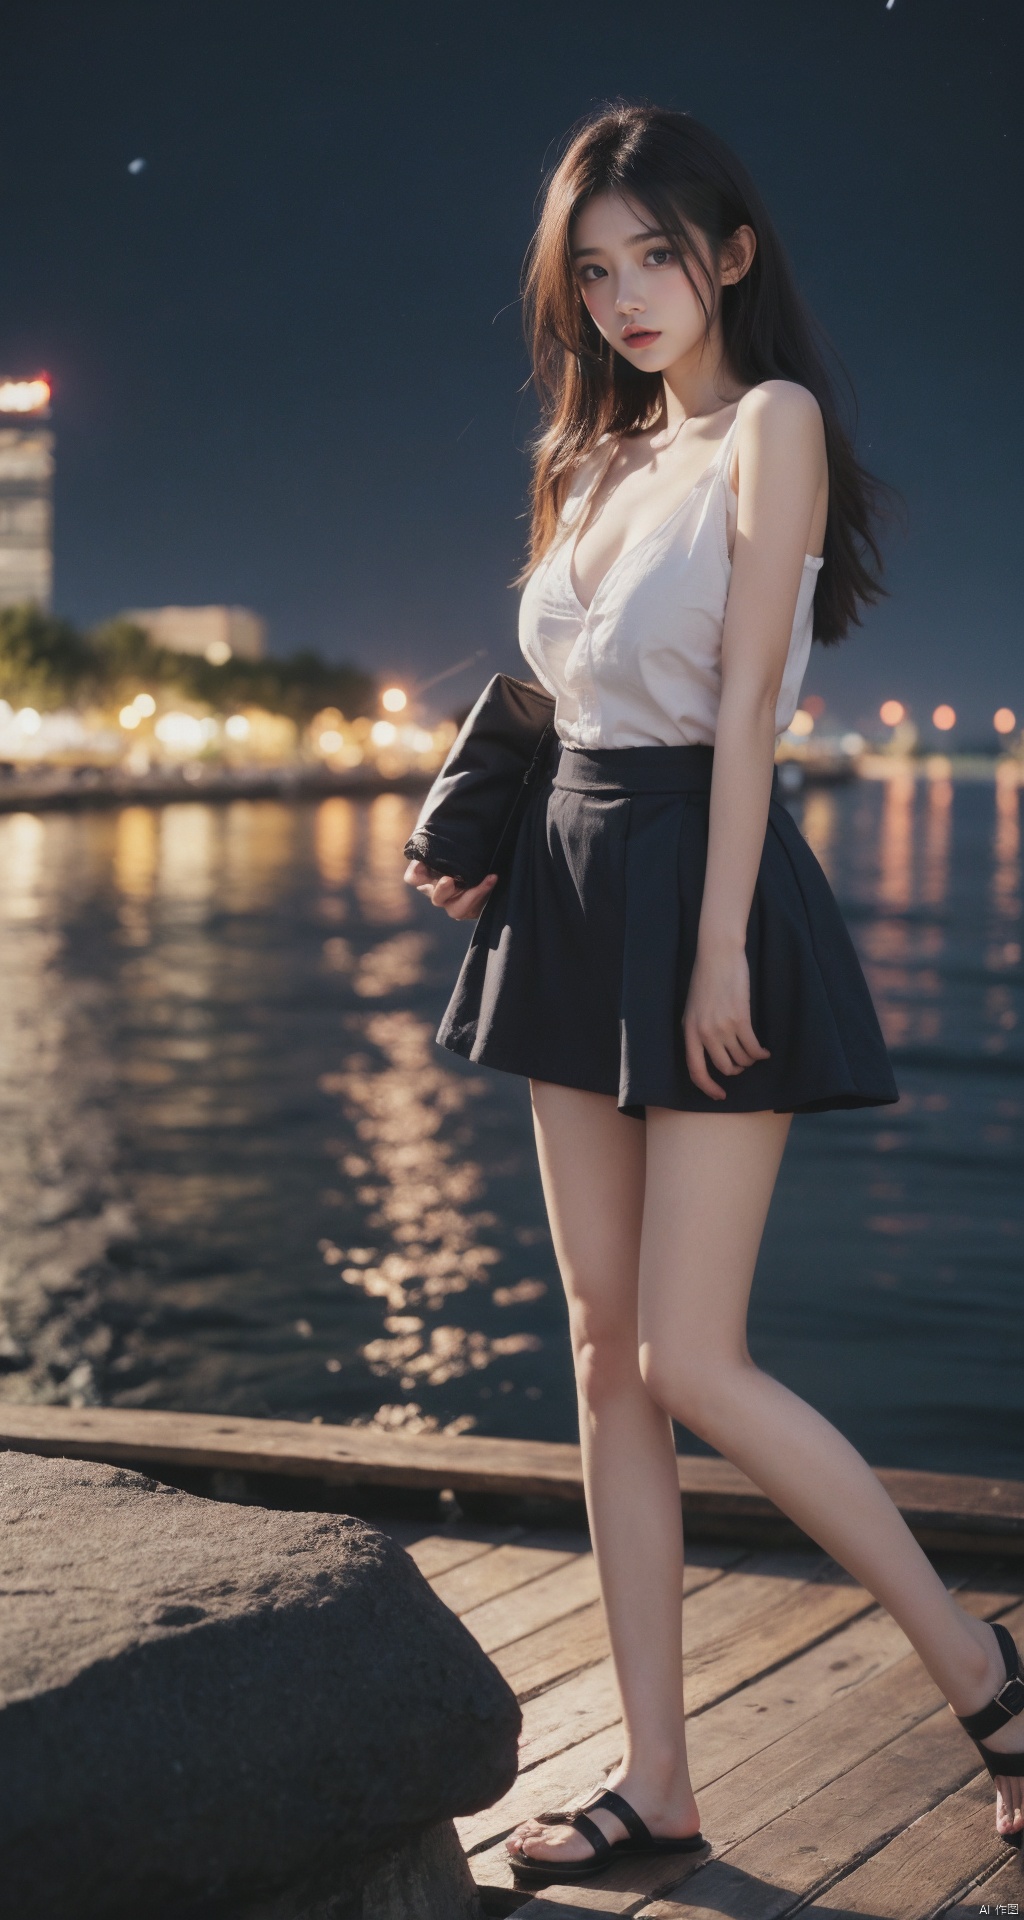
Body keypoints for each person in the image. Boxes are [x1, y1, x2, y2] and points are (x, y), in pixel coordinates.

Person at [404, 104, 1024, 1886]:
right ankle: (660, 1783)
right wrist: (479, 829)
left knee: (697, 1356)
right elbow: (549, 692)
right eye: (591, 273)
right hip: (570, 885)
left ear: (731, 253)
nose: (622, 297)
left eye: (653, 256)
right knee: (608, 1360)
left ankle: (991, 1677)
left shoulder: (774, 426)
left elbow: (745, 708)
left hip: (700, 874)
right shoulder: (586, 461)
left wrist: (728, 939)